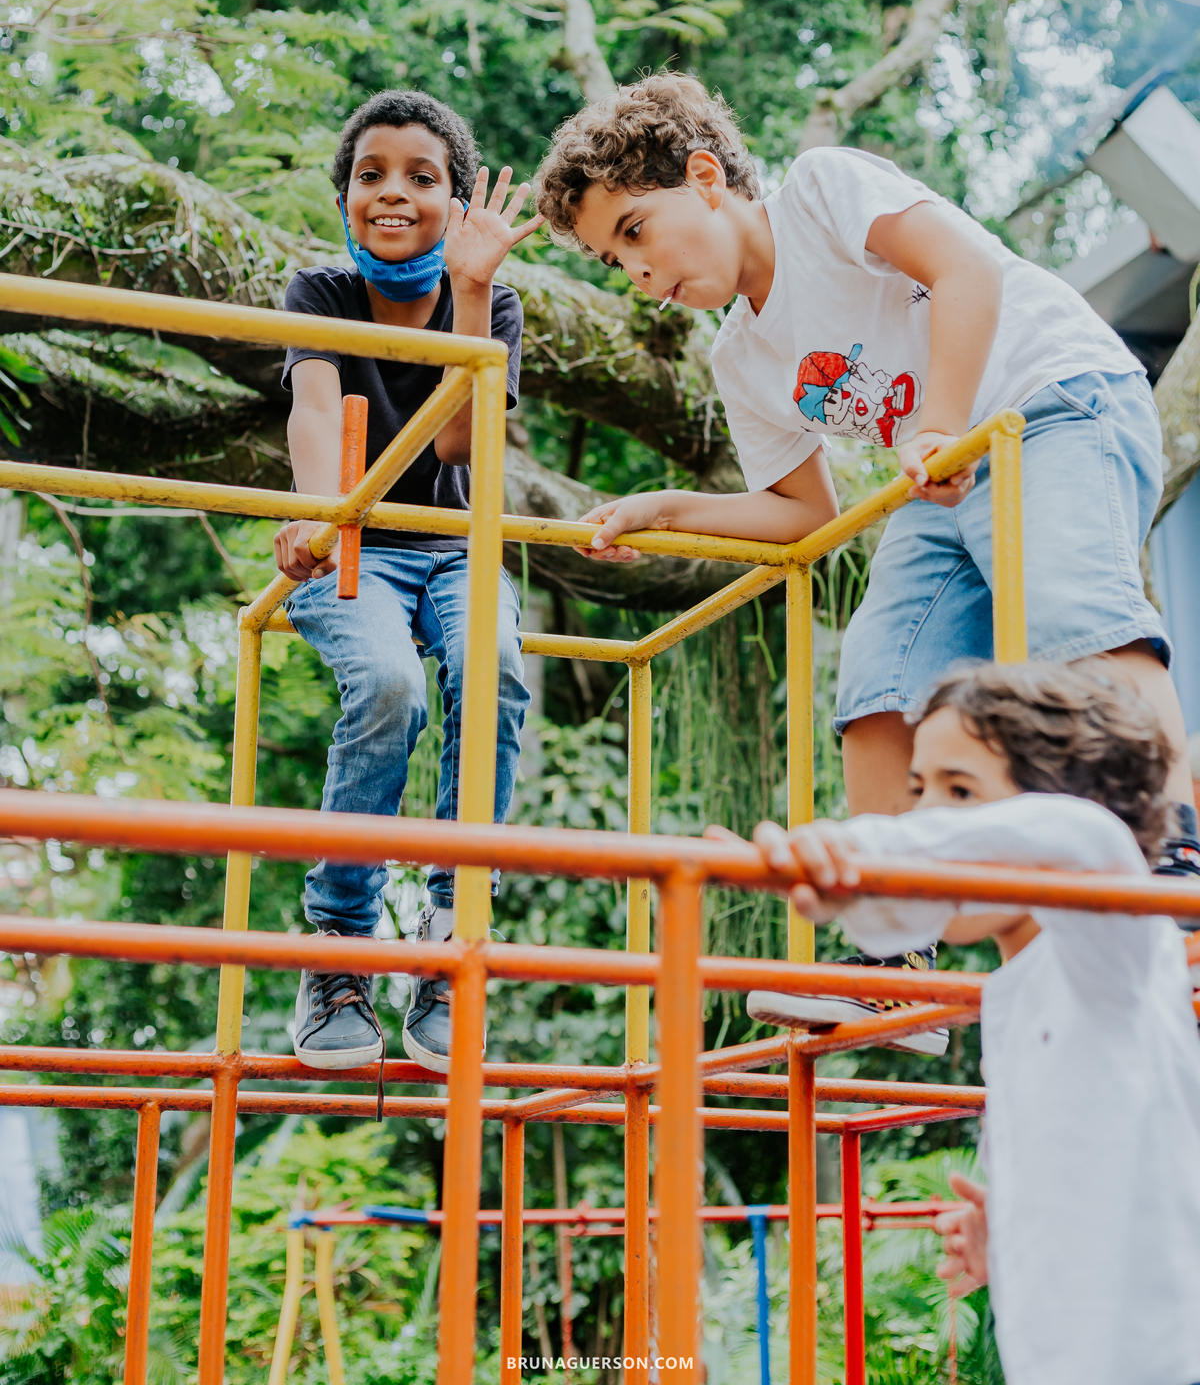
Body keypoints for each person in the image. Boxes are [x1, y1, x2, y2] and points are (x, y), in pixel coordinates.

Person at [535, 71, 1200, 1050]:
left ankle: (1177, 854)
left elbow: (966, 268)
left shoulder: (819, 191)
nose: (632, 270)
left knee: (1069, 613)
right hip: (938, 477)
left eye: (634, 230)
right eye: (608, 258)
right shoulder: (742, 360)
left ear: (707, 176)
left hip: (1050, 402)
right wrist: (673, 505)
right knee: (882, 669)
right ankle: (896, 952)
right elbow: (805, 515)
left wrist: (935, 421)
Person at [749, 660, 1200, 1385]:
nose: (928, 819)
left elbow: (1078, 836)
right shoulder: (1012, 993)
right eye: (919, 791)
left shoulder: (1122, 949)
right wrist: (1009, 1241)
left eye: (963, 792)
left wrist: (867, 857)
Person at [275, 89, 541, 1074]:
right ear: (344, 197)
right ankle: (339, 944)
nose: (394, 192)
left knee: (496, 664)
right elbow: (311, 408)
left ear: (458, 201)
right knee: (389, 686)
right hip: (353, 538)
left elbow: (461, 440)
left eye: (422, 178)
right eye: (370, 175)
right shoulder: (320, 294)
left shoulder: (493, 304)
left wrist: (471, 292)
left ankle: (450, 926)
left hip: (453, 540)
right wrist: (316, 512)